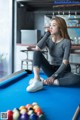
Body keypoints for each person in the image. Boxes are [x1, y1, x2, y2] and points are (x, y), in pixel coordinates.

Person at [26, 16, 80, 92]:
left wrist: (53, 77)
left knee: (77, 78)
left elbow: (65, 63)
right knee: (36, 51)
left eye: (54, 25)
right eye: (50, 25)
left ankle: (46, 82)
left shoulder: (66, 42)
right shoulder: (48, 40)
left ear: (60, 28)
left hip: (63, 71)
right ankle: (37, 79)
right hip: (51, 70)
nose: (51, 27)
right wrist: (47, 34)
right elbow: (37, 48)